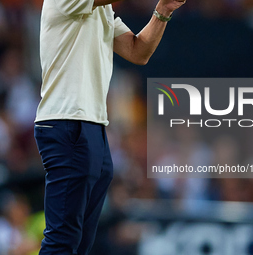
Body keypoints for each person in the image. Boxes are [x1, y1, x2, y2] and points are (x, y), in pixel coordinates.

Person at [34, 0, 187, 254]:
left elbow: (138, 51)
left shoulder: (102, 9)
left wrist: (163, 11)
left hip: (92, 126)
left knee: (80, 242)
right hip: (67, 123)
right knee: (63, 240)